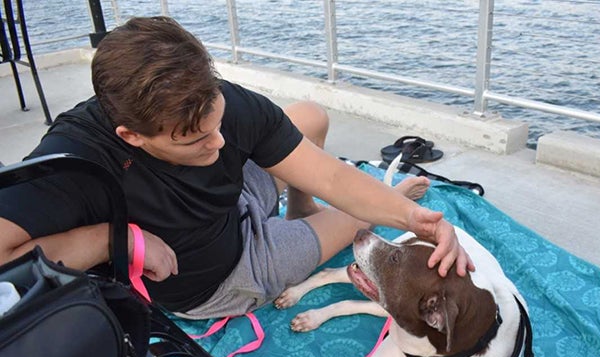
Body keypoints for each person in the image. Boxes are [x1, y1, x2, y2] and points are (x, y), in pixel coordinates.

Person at [0, 16, 472, 319]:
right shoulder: (73, 163)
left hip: (231, 206)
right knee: (361, 220)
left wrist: (414, 223)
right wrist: (112, 238)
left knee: (311, 117)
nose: (220, 142)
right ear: (132, 136)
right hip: (226, 274)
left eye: (219, 121)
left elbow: (330, 174)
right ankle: (328, 220)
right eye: (197, 138)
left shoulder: (219, 109)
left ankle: (299, 213)